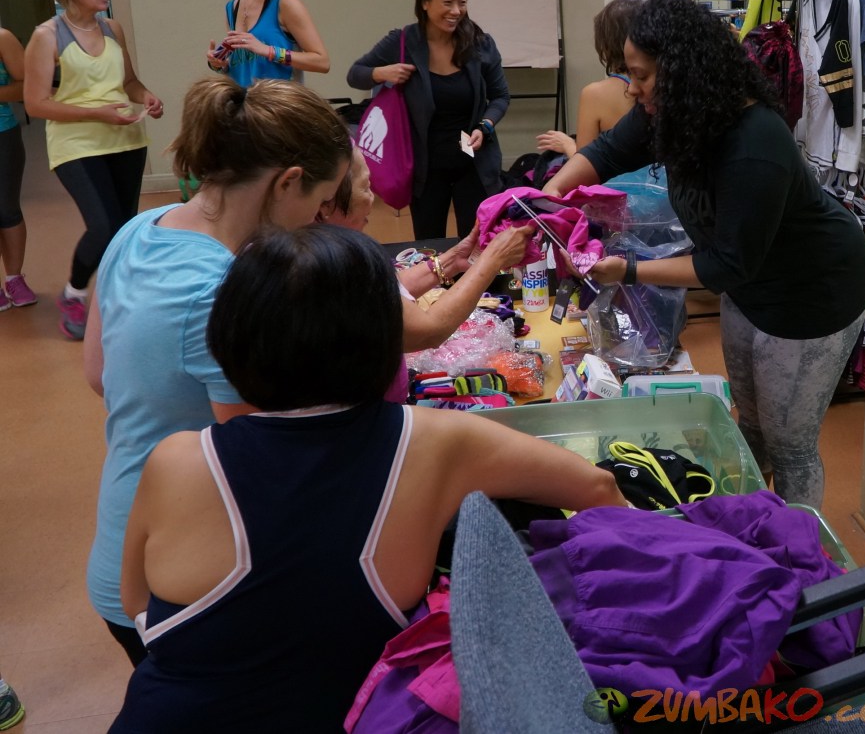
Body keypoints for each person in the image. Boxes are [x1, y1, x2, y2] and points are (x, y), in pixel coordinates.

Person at [110, 223, 624, 732]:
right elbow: (599, 490)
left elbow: (134, 602)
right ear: (384, 336)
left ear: (230, 335)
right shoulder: (434, 441)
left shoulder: (178, 460)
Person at [543, 0, 865, 510]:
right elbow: (606, 151)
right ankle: (746, 524)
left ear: (681, 73)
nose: (631, 88)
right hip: (750, 281)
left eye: (641, 75)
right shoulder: (671, 110)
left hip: (814, 290)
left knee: (790, 447)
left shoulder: (754, 144)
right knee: (751, 423)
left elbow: (724, 265)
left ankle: (797, 552)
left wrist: (626, 270)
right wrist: (548, 197)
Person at [82, 77, 352, 667]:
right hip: (179, 574)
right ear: (287, 182)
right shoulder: (224, 289)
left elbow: (99, 374)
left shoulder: (138, 230)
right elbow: (254, 454)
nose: (319, 217)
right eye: (321, 199)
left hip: (122, 543)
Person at [23, 0, 163, 340]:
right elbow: (35, 103)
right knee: (103, 225)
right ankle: (74, 292)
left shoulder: (112, 28)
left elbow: (129, 82)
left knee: (123, 228)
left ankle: (116, 300)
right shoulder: (46, 36)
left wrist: (146, 96)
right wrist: (97, 113)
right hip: (77, 144)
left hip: (125, 139)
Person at [318, 147, 534, 355]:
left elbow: (387, 291)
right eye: (365, 188)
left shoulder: (332, 249)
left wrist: (452, 261)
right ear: (326, 203)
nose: (372, 198)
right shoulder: (330, 266)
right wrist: (493, 259)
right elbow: (426, 332)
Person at [347, 0, 509, 240]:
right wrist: (382, 73)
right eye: (447, 2)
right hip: (424, 166)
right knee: (429, 244)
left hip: (474, 162)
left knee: (476, 243)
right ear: (425, 2)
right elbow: (355, 74)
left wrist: (485, 125)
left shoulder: (480, 43)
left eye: (462, 2)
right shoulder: (403, 41)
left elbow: (500, 96)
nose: (456, 11)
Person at [536, 0, 640, 158]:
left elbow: (585, 163)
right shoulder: (664, 84)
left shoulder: (595, 94)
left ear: (605, 43)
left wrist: (568, 144)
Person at [0, 26, 36, 310]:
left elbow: (28, 85)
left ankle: (14, 278)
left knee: (7, 208)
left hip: (3, 136)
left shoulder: (3, 38)